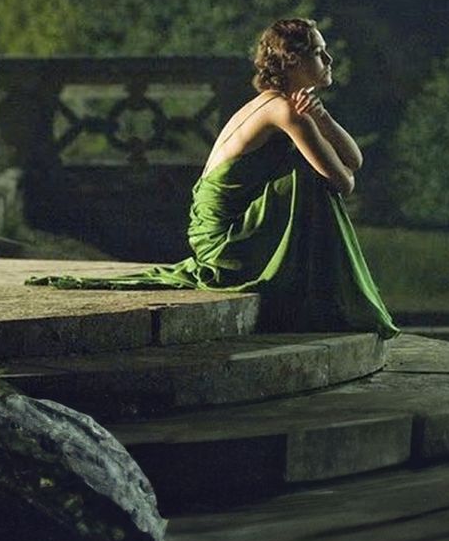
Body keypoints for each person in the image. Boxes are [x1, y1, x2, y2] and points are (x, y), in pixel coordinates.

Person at [27, 18, 399, 339]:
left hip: (220, 228)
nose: (329, 59)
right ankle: (328, 297)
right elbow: (344, 182)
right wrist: (314, 125)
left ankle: (315, 288)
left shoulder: (285, 104)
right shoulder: (284, 111)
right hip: (226, 240)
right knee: (309, 177)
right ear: (292, 61)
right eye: (319, 52)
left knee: (307, 173)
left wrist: (324, 118)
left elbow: (355, 161)